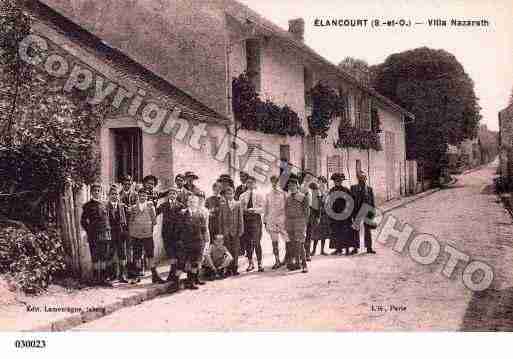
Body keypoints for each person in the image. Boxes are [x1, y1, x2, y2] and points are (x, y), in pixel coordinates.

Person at [127, 188, 164, 284]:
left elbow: (154, 221)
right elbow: (130, 221)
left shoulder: (151, 207)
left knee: (150, 255)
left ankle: (154, 275)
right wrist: (133, 233)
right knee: (137, 256)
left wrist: (148, 228)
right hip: (136, 235)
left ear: (147, 197)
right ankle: (136, 276)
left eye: (145, 195)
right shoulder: (134, 207)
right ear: (138, 196)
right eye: (141, 195)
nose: (143, 197)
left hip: (147, 235)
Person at [81, 183, 112, 286]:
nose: (97, 192)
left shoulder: (105, 204)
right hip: (93, 235)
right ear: (91, 192)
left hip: (105, 234)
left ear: (101, 192)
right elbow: (83, 221)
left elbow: (108, 219)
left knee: (104, 256)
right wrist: (89, 230)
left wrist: (108, 231)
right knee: (95, 256)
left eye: (98, 191)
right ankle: (95, 278)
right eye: (95, 191)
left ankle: (103, 278)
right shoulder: (87, 206)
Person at [175, 193, 208, 290]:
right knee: (181, 263)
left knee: (195, 263)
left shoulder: (200, 214)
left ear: (197, 203)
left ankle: (191, 282)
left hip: (197, 242)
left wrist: (204, 240)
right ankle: (175, 283)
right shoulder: (182, 213)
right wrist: (179, 241)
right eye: (190, 201)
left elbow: (204, 229)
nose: (192, 203)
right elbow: (178, 229)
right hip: (185, 242)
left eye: (194, 202)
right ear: (187, 203)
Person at [156, 187, 185, 291]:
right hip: (167, 234)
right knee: (171, 255)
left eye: (174, 193)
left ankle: (173, 276)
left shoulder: (180, 206)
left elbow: (184, 219)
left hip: (177, 235)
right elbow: (155, 212)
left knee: (177, 255)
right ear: (168, 195)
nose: (172, 195)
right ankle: (172, 275)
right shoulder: (164, 205)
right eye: (170, 193)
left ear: (176, 195)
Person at [239, 176, 265, 272]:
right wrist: (243, 210)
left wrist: (254, 210)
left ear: (255, 184)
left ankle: (260, 263)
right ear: (246, 184)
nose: (249, 184)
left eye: (251, 183)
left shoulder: (259, 195)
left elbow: (263, 209)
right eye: (248, 183)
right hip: (246, 220)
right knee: (248, 243)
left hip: (255, 219)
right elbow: (240, 209)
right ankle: (250, 263)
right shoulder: (242, 195)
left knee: (257, 242)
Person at [284, 177, 310, 273]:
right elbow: (286, 211)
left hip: (300, 222)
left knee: (299, 243)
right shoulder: (288, 198)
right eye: (290, 186)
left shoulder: (303, 197)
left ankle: (304, 264)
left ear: (297, 186)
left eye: (293, 185)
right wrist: (287, 223)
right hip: (290, 223)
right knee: (293, 243)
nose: (291, 187)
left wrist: (303, 224)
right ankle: (297, 263)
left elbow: (307, 212)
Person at [218, 186, 244, 275]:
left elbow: (240, 218)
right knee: (227, 250)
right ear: (225, 195)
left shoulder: (238, 204)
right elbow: (220, 220)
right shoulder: (223, 205)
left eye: (231, 194)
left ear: (234, 194)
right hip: (226, 231)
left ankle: (235, 268)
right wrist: (221, 232)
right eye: (227, 194)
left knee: (235, 249)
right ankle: (228, 268)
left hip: (235, 231)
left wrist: (241, 230)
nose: (229, 195)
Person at [107, 185, 129, 283]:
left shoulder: (121, 206)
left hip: (121, 233)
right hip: (111, 233)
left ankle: (122, 275)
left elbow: (125, 220)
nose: (114, 196)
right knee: (111, 253)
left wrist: (125, 231)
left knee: (122, 254)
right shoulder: (106, 207)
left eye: (116, 194)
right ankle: (112, 275)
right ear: (109, 195)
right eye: (112, 194)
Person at [327, 173, 354, 256]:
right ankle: (338, 249)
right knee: (336, 232)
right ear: (334, 182)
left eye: (339, 181)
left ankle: (346, 249)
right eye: (336, 181)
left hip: (345, 215)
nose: (337, 182)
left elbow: (351, 202)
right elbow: (329, 203)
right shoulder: (332, 190)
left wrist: (349, 213)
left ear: (341, 181)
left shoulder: (346, 190)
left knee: (345, 232)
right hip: (335, 215)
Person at [264, 175, 287, 269]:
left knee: (287, 241)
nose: (274, 184)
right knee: (274, 242)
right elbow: (266, 209)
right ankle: (277, 261)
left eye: (276, 182)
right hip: (272, 221)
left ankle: (286, 259)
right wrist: (265, 221)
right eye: (272, 182)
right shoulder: (268, 195)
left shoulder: (284, 194)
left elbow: (287, 207)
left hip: (282, 221)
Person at [350, 171, 377, 254]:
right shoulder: (353, 188)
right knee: (355, 230)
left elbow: (372, 202)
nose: (362, 179)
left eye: (364, 178)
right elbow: (351, 201)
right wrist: (351, 213)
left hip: (366, 211)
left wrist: (372, 213)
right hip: (357, 211)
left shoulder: (369, 189)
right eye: (360, 178)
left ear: (366, 179)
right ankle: (355, 248)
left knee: (368, 230)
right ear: (358, 179)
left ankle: (369, 247)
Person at [311, 176, 329, 256]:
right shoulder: (315, 192)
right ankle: (314, 250)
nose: (321, 184)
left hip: (325, 214)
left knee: (324, 233)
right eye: (320, 182)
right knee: (316, 233)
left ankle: (322, 250)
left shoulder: (327, 193)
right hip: (317, 214)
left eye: (323, 182)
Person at [305, 181, 321, 262]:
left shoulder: (317, 196)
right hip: (305, 218)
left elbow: (318, 208)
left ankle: (307, 254)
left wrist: (318, 217)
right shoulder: (307, 195)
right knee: (307, 236)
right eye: (315, 189)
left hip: (311, 218)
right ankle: (305, 253)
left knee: (308, 236)